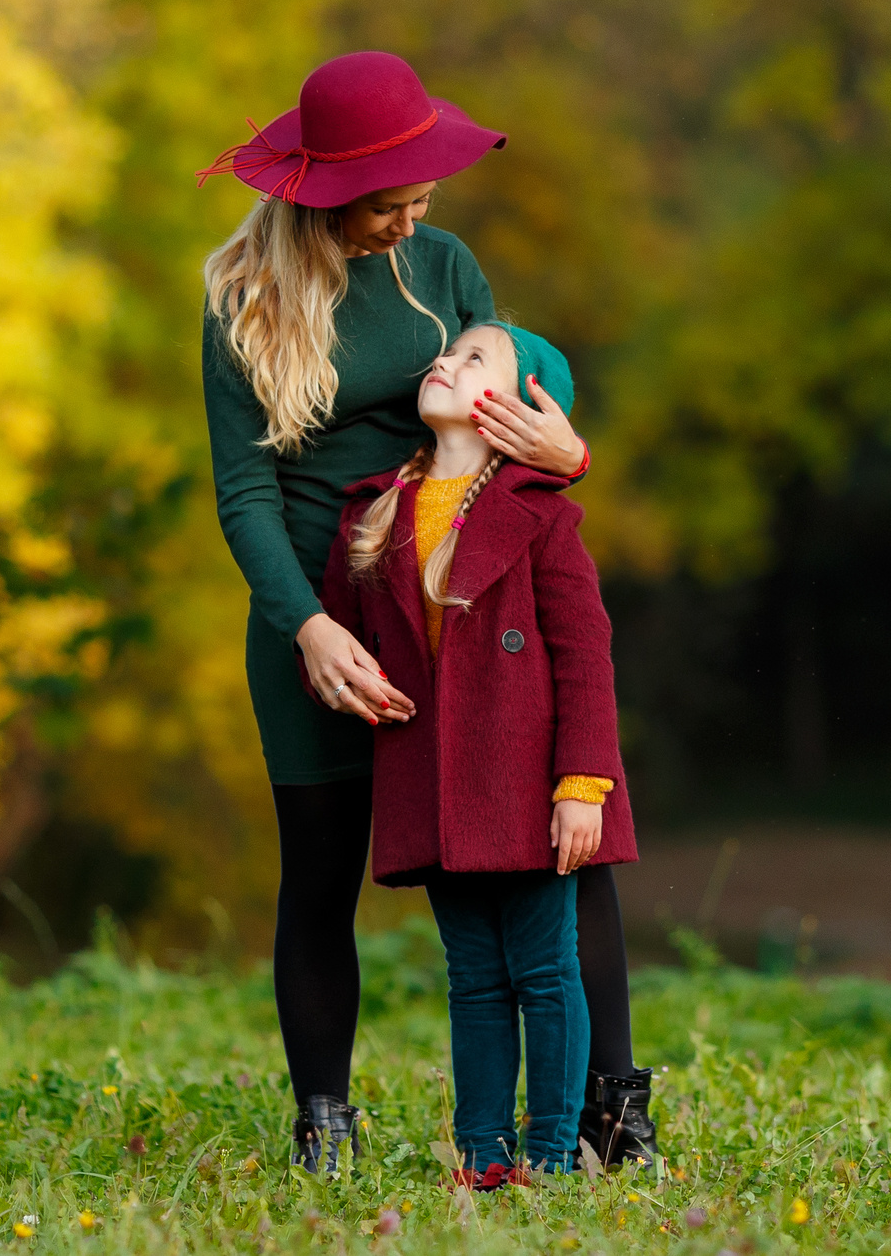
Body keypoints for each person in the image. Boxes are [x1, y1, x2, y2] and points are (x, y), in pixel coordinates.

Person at [197, 51, 657, 1173]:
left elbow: (505, 408)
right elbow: (244, 489)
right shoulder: (242, 304)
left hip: (448, 598)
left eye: (419, 199)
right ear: (320, 198)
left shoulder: (441, 265)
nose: (410, 222)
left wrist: (573, 450)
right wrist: (306, 627)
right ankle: (324, 1120)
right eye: (387, 205)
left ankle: (612, 1108)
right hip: (321, 607)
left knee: (562, 846)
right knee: (320, 865)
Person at [319, 322, 637, 1184]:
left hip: (529, 783)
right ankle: (483, 1153)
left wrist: (584, 783)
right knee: (472, 979)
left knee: (544, 969)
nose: (445, 362)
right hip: (435, 784)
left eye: (473, 359)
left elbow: (585, 653)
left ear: (521, 407)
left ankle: (550, 1154)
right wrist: (343, 675)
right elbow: (348, 636)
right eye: (447, 351)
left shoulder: (543, 517)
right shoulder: (376, 508)